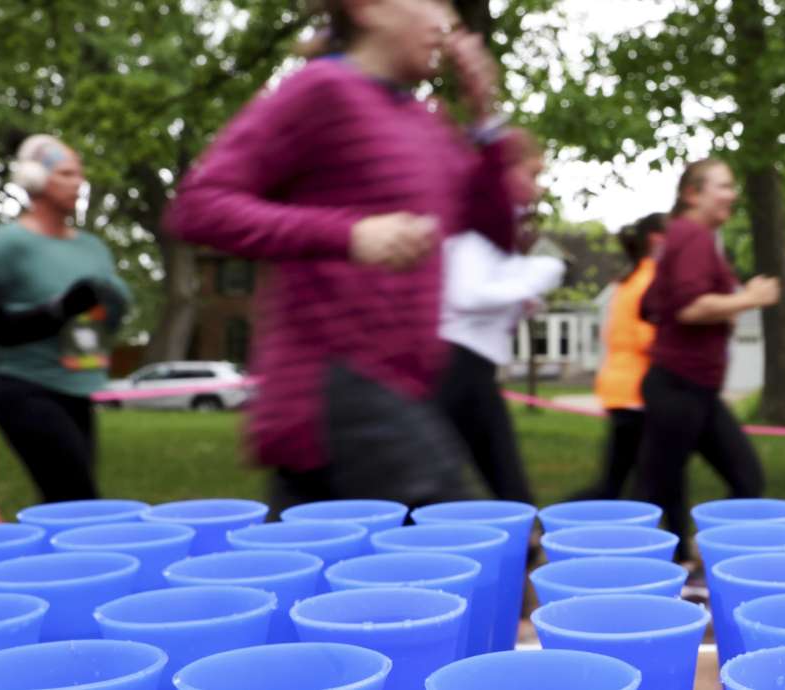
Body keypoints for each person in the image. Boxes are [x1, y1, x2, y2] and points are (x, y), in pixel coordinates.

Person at [166, 0, 522, 513]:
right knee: (462, 544)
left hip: (404, 389)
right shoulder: (321, 91)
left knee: (323, 568)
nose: (444, 20)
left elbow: (495, 232)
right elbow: (201, 207)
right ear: (369, 8)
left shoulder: (428, 123)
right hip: (333, 383)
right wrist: (349, 235)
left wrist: (486, 118)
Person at [0, 145, 127, 505]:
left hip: (78, 384)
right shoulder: (2, 246)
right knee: (77, 498)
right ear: (34, 179)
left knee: (64, 501)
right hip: (22, 384)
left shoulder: (93, 247)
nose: (78, 183)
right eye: (66, 174)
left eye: (79, 174)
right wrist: (57, 309)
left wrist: (114, 303)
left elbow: (108, 316)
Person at [637, 159, 780, 562]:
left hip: (690, 387)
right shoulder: (693, 237)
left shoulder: (681, 238)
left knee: (673, 485)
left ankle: (700, 564)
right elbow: (688, 307)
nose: (731, 195)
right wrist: (749, 299)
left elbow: (651, 304)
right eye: (723, 186)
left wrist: (726, 306)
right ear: (692, 194)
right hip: (680, 385)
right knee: (653, 494)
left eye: (733, 186)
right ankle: (617, 574)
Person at [435, 140, 565, 504]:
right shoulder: (474, 228)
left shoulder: (494, 232)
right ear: (502, 175)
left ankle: (524, 541)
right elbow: (468, 295)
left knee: (501, 479)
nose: (540, 187)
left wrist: (518, 298)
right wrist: (540, 273)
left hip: (472, 368)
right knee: (432, 484)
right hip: (455, 367)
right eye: (533, 174)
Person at [569, 212, 667, 501]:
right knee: (633, 484)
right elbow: (645, 337)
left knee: (623, 482)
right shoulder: (651, 280)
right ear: (656, 239)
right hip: (636, 392)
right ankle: (551, 524)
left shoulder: (630, 279)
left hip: (622, 389)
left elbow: (610, 334)